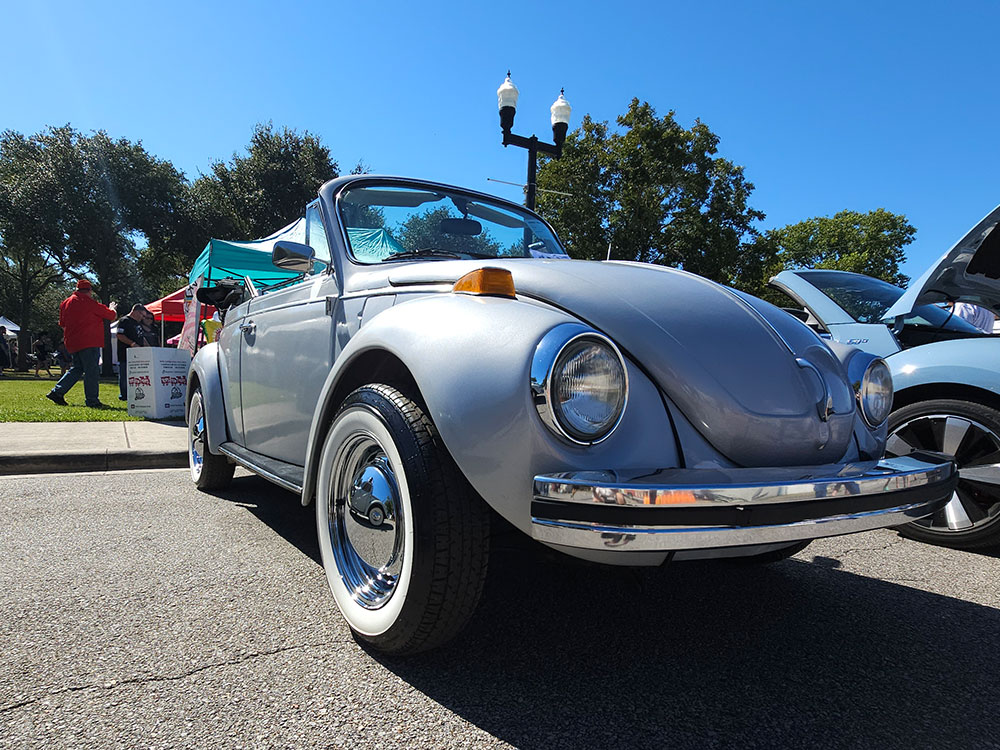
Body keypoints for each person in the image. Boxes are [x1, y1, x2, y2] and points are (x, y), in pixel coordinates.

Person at [45, 279, 117, 408]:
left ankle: (57, 392)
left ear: (77, 289)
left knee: (77, 368)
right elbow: (111, 315)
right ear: (89, 291)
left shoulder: (65, 303)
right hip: (89, 341)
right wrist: (112, 308)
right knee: (91, 371)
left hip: (72, 342)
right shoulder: (88, 301)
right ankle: (92, 401)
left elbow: (62, 324)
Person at [114, 304, 150, 401]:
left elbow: (141, 337)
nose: (142, 318)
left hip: (137, 356)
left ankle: (133, 393)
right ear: (136, 312)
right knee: (125, 375)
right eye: (142, 315)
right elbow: (119, 335)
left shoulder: (138, 324)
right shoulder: (124, 321)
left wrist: (148, 348)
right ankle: (124, 395)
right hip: (125, 354)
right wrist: (132, 343)